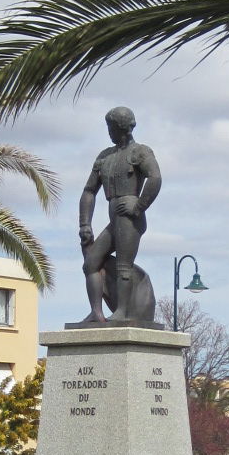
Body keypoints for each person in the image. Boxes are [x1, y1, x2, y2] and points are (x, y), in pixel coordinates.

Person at [75, 106, 161, 325]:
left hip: (128, 215)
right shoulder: (105, 156)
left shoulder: (140, 152)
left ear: (121, 128)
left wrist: (139, 206)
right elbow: (88, 191)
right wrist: (85, 224)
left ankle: (123, 311)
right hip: (114, 216)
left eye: (110, 127)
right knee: (91, 263)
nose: (109, 132)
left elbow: (155, 178)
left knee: (124, 265)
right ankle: (97, 312)